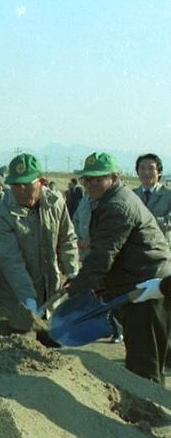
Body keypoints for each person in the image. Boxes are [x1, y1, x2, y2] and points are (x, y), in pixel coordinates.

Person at [67, 152, 171, 383]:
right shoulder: (105, 200)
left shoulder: (117, 206)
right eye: (87, 179)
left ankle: (148, 413)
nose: (91, 183)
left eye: (97, 178)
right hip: (133, 281)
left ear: (113, 177)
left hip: (147, 285)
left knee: (145, 361)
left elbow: (102, 257)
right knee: (140, 352)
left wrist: (74, 297)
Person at [0, 154, 79, 347]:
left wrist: (72, 272)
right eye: (15, 184)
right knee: (12, 351)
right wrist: (28, 301)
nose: (20, 190)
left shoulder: (56, 202)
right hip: (16, 295)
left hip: (51, 292)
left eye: (26, 184)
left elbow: (67, 239)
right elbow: (12, 262)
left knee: (53, 349)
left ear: (41, 182)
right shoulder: (1, 214)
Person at [133, 153, 171, 243]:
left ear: (159, 172)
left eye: (151, 168)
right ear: (137, 172)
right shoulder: (131, 195)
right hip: (135, 249)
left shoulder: (168, 195)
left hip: (160, 248)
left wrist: (144, 222)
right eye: (142, 168)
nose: (146, 172)